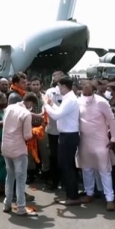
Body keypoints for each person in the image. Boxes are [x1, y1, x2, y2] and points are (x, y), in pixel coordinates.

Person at [76, 81, 115, 211]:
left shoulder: (101, 102)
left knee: (104, 170)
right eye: (84, 90)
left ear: (93, 91)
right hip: (84, 141)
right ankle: (89, 193)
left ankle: (109, 199)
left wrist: (114, 138)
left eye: (89, 91)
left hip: (100, 141)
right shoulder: (78, 101)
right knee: (87, 169)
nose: (86, 93)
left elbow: (111, 120)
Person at [43, 76, 82, 205]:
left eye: (59, 86)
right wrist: (51, 104)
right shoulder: (68, 98)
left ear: (64, 86)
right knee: (67, 165)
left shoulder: (70, 99)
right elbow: (59, 110)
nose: (58, 89)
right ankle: (70, 194)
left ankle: (73, 196)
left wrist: (45, 105)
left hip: (69, 136)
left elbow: (56, 115)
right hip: (66, 135)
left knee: (66, 166)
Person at [1, 93, 40, 216]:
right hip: (19, 150)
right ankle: (21, 208)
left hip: (6, 148)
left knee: (10, 176)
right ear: (30, 103)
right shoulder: (25, 113)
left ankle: (7, 204)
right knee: (21, 179)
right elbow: (27, 135)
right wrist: (36, 132)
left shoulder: (8, 109)